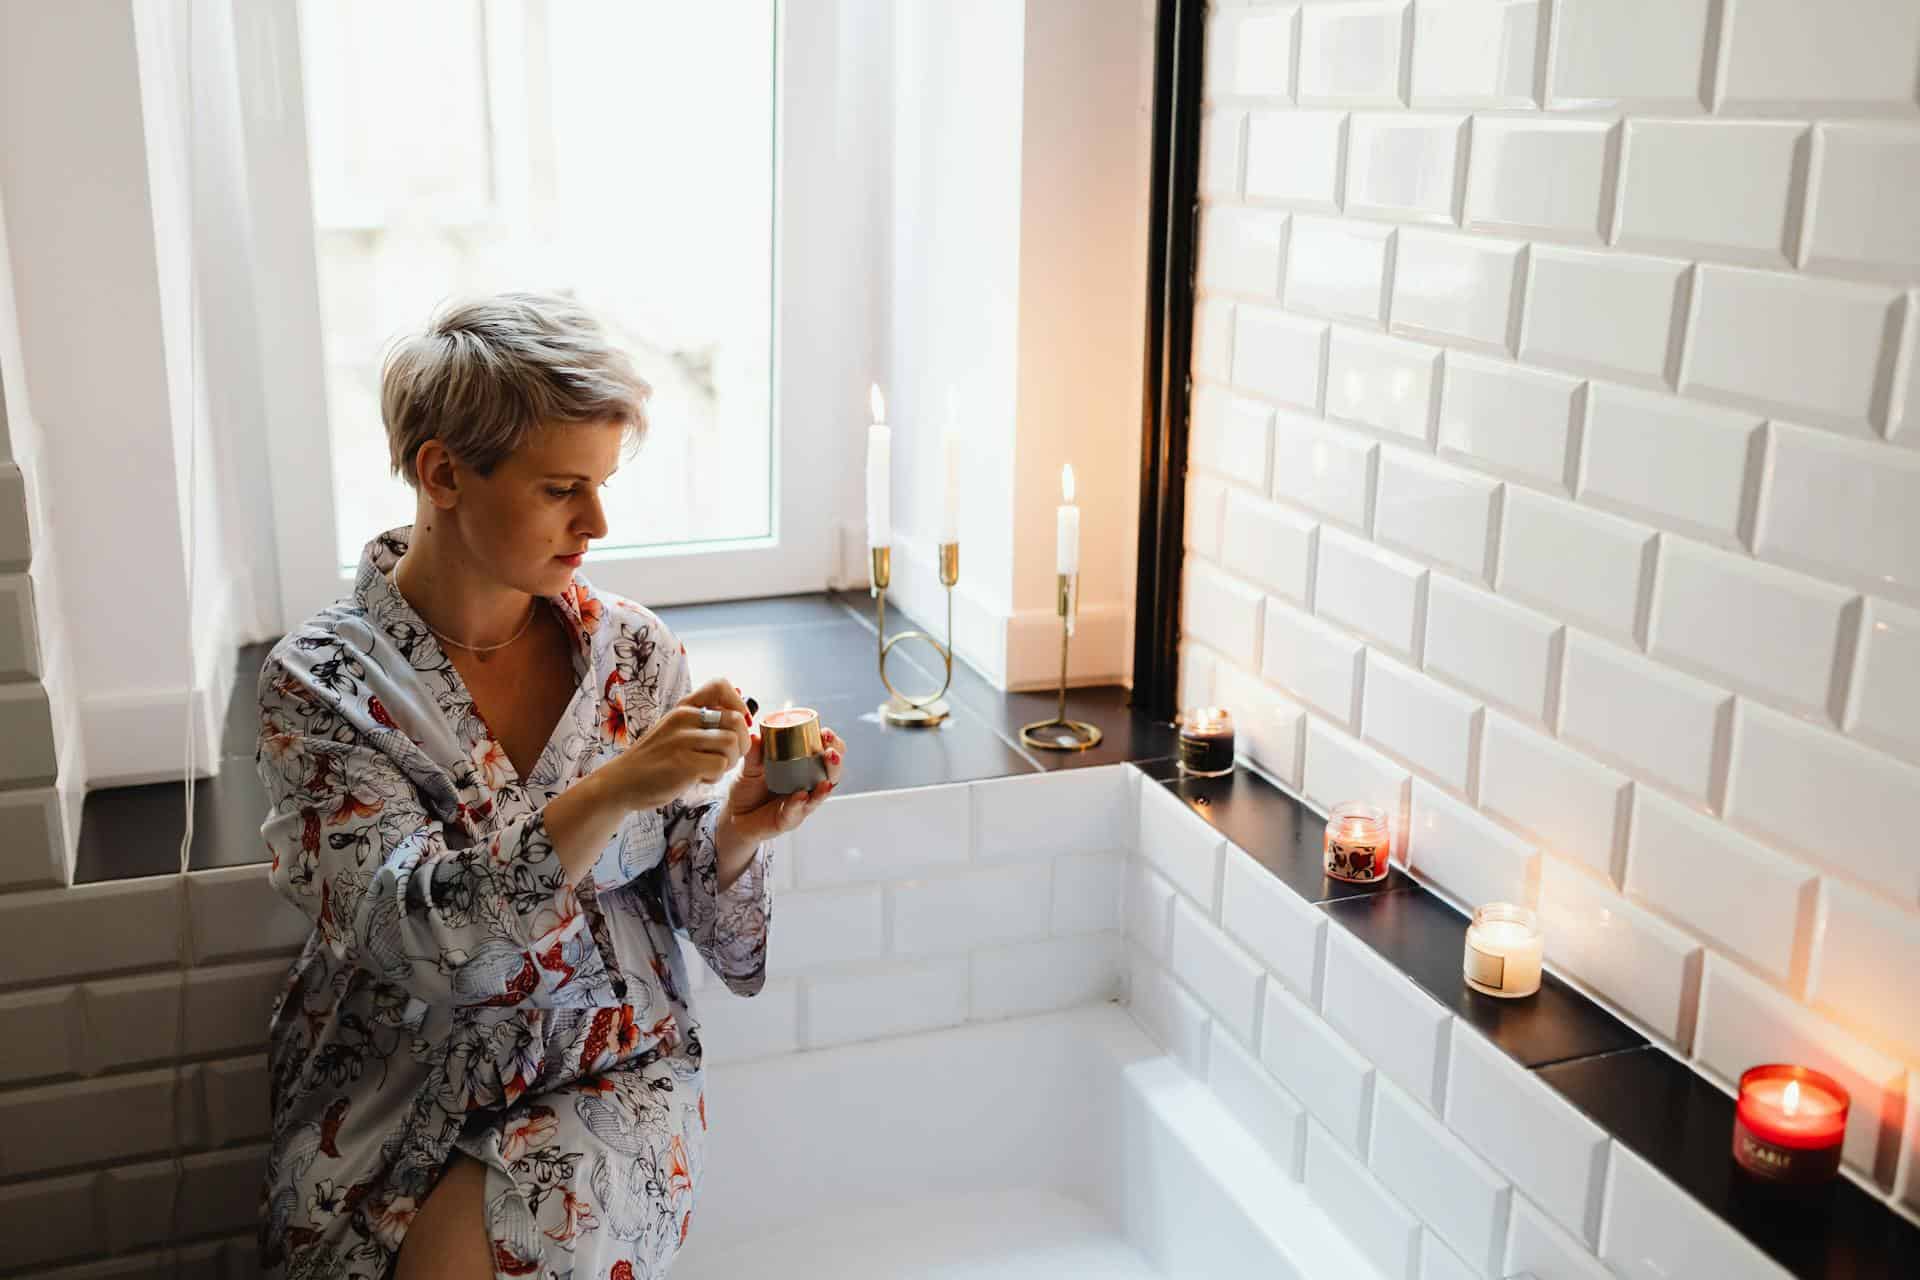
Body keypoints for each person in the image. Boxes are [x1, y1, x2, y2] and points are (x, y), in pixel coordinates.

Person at [254, 291, 842, 1278]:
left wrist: (738, 827)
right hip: (396, 1081)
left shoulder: (633, 651)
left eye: (604, 482)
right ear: (443, 472)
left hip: (610, 1068)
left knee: (480, 1251)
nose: (598, 521)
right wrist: (610, 788)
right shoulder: (320, 687)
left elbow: (697, 912)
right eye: (562, 486)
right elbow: (408, 930)